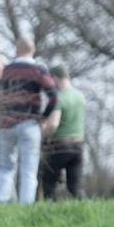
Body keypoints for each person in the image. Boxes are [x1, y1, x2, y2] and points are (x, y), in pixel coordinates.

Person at [0, 37, 58, 204]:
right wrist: (43, 117)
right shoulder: (38, 69)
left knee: (6, 167)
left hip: (7, 123)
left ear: (16, 50)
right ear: (33, 50)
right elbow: (53, 97)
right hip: (29, 123)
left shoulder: (6, 70)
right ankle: (26, 206)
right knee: (28, 169)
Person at [42, 65, 86, 199]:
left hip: (60, 145)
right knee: (75, 186)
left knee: (49, 183)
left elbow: (53, 124)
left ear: (54, 78)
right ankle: (87, 209)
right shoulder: (80, 96)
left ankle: (49, 213)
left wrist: (43, 134)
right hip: (78, 145)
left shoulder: (58, 98)